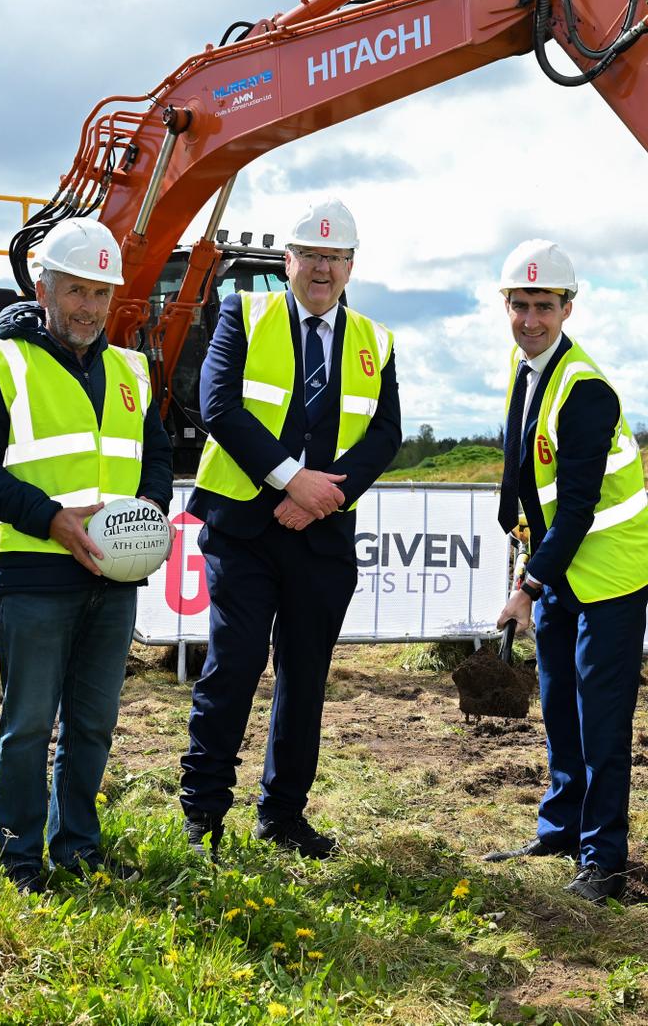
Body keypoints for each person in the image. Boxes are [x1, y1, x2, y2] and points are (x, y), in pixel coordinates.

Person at [0, 217, 173, 893]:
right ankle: (21, 857)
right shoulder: (0, 364)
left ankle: (78, 846)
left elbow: (154, 455)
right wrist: (50, 518)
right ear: (43, 287)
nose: (88, 307)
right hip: (36, 576)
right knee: (28, 725)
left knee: (95, 724)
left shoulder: (131, 369)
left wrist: (147, 515)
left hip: (112, 578)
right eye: (75, 289)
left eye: (101, 294)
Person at [178, 199, 402, 860]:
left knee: (304, 680)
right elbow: (216, 402)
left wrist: (323, 498)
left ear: (352, 265)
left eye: (336, 257)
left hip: (322, 536)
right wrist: (290, 479)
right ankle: (204, 818)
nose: (323, 269)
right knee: (236, 665)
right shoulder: (242, 314)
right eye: (312, 256)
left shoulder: (376, 341)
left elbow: (385, 434)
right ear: (288, 263)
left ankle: (283, 818)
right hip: (244, 529)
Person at [478, 240, 648, 904]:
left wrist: (525, 587)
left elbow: (579, 507)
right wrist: (524, 550)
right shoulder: (526, 366)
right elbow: (527, 475)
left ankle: (604, 860)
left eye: (544, 305)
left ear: (567, 306)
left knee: (601, 720)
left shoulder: (583, 389)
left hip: (609, 570)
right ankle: (561, 827)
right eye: (520, 304)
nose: (531, 317)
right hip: (560, 566)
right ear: (507, 304)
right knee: (560, 705)